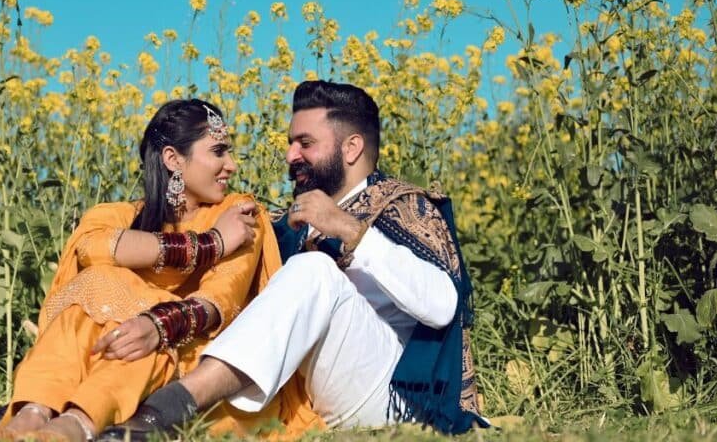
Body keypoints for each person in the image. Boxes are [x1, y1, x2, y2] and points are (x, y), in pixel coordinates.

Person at [102, 80, 488, 439]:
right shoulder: (295, 221)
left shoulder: (406, 205)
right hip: (310, 394)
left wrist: (350, 230)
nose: (291, 155)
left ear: (351, 148)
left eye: (305, 143)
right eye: (290, 142)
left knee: (314, 269)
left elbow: (443, 306)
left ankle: (164, 412)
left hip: (398, 396)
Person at [0, 99, 286, 442]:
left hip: (187, 359)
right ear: (173, 159)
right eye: (218, 152)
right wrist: (210, 244)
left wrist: (156, 324)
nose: (232, 165)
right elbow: (92, 247)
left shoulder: (239, 214)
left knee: (132, 327)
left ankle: (72, 425)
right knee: (94, 295)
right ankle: (30, 418)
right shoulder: (120, 214)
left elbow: (219, 300)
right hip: (117, 346)